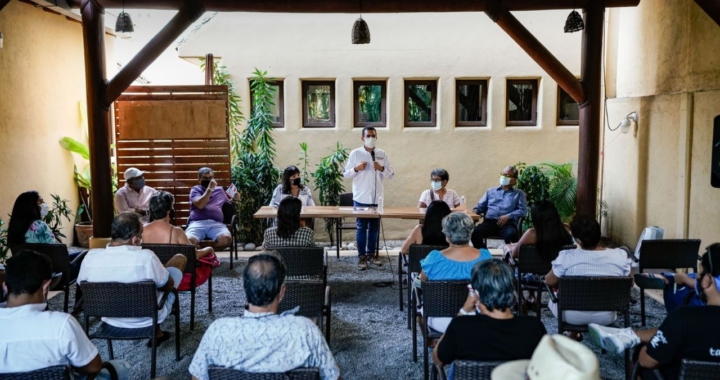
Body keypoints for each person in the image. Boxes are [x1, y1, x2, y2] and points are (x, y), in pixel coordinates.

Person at [189, 252, 341, 380]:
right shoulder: (307, 330)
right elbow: (333, 377)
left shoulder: (217, 331)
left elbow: (197, 377)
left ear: (245, 288)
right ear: (282, 292)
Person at [588, 244, 720, 380]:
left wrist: (645, 349)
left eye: (700, 273)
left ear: (707, 280)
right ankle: (630, 335)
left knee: (642, 354)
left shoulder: (684, 317)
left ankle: (631, 338)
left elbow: (646, 360)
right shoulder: (686, 320)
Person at [0, 250, 130, 379]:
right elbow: (93, 367)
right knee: (120, 367)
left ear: (5, 286)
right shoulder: (62, 324)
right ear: (46, 286)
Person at [77, 212, 187, 345]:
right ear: (135, 240)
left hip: (110, 317)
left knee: (150, 281)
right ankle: (157, 332)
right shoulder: (146, 258)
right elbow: (168, 286)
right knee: (179, 259)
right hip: (147, 317)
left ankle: (157, 331)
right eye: (141, 236)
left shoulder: (90, 257)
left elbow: (81, 285)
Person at [433, 259, 547, 380]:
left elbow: (437, 361)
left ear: (475, 293)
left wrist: (463, 311)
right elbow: (544, 367)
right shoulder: (534, 327)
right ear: (512, 291)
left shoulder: (460, 327)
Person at [544, 215, 632, 340]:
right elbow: (630, 282)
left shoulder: (567, 257)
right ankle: (576, 334)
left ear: (579, 241)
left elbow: (549, 280)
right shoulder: (619, 256)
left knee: (555, 298)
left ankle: (573, 333)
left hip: (570, 314)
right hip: (606, 315)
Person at [416, 212, 493, 333]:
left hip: (440, 320)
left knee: (419, 309)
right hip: (478, 318)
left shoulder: (434, 258)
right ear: (470, 232)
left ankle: (432, 343)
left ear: (447, 235)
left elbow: (421, 281)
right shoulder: (485, 257)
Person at [503, 201, 574, 310]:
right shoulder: (566, 230)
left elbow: (515, 254)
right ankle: (532, 296)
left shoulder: (531, 234)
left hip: (533, 276)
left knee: (510, 262)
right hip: (556, 274)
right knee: (532, 263)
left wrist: (508, 248)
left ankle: (520, 299)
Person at [343, 126, 394, 270]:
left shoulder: (382, 154)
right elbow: (346, 174)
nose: (371, 138)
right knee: (361, 228)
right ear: (362, 138)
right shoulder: (355, 154)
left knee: (374, 228)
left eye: (373, 136)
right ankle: (362, 257)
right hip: (361, 197)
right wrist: (356, 169)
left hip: (377, 198)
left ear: (376, 137)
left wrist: (382, 169)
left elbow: (391, 174)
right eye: (368, 136)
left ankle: (372, 254)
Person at [143, 191, 214, 259]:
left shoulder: (142, 229)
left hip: (149, 269)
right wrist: (209, 249)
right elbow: (195, 255)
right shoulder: (176, 231)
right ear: (169, 211)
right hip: (171, 270)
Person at [471, 166, 527, 248]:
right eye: (502, 174)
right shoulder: (491, 191)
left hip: (508, 224)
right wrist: (475, 213)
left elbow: (523, 210)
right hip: (490, 223)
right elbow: (480, 206)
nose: (503, 177)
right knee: (474, 232)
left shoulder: (519, 194)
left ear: (514, 180)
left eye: (507, 175)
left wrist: (508, 216)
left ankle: (509, 257)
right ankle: (485, 255)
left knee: (512, 235)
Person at [186, 167, 240, 251]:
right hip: (197, 223)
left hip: (216, 224)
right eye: (205, 178)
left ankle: (206, 252)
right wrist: (210, 189)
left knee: (226, 239)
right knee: (188, 241)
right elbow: (200, 205)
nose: (208, 180)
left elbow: (228, 203)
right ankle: (204, 254)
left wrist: (234, 199)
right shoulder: (195, 190)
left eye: (210, 178)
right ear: (199, 180)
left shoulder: (219, 190)